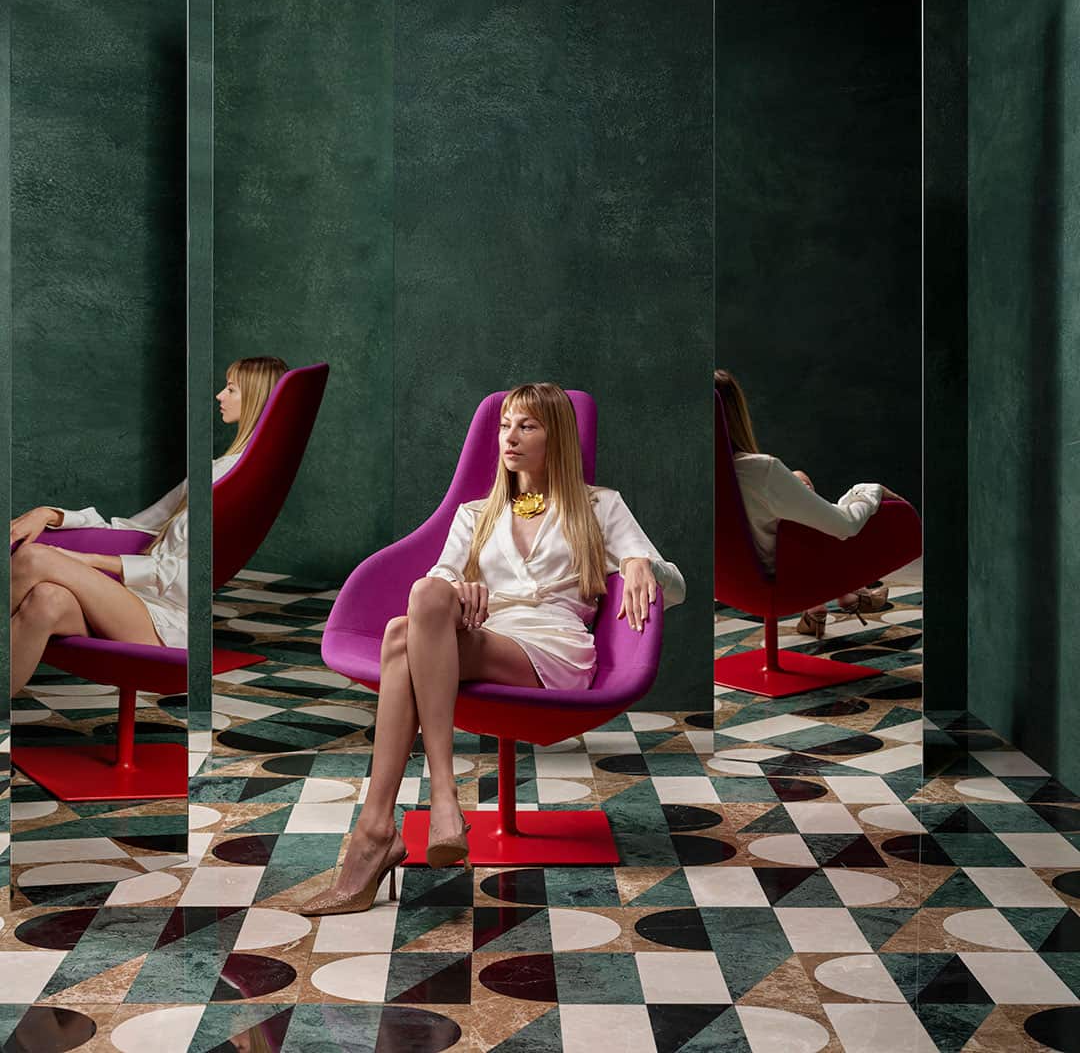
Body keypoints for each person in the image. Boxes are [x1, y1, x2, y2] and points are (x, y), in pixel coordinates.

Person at [300, 382, 685, 916]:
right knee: (420, 605)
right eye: (505, 425)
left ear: (558, 437)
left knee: (399, 637)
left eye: (527, 426)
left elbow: (677, 587)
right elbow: (436, 579)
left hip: (553, 646)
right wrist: (459, 590)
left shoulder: (600, 505)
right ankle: (413, 814)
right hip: (488, 632)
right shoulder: (475, 513)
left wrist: (643, 562)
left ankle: (395, 823)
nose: (511, 437)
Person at [8, 356, 287, 695]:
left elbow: (195, 576)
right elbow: (132, 528)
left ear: (257, 399)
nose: (219, 396)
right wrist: (51, 514)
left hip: (169, 622)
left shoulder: (240, 482)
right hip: (133, 603)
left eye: (230, 389)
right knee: (46, 599)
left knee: (33, 559)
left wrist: (88, 562)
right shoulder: (213, 471)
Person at [715, 368, 903, 638]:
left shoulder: (692, 474)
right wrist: (869, 491)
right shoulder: (760, 471)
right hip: (781, 582)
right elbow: (845, 526)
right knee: (819, 504)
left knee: (798, 480)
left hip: (731, 584)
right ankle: (847, 593)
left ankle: (827, 605)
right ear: (736, 414)